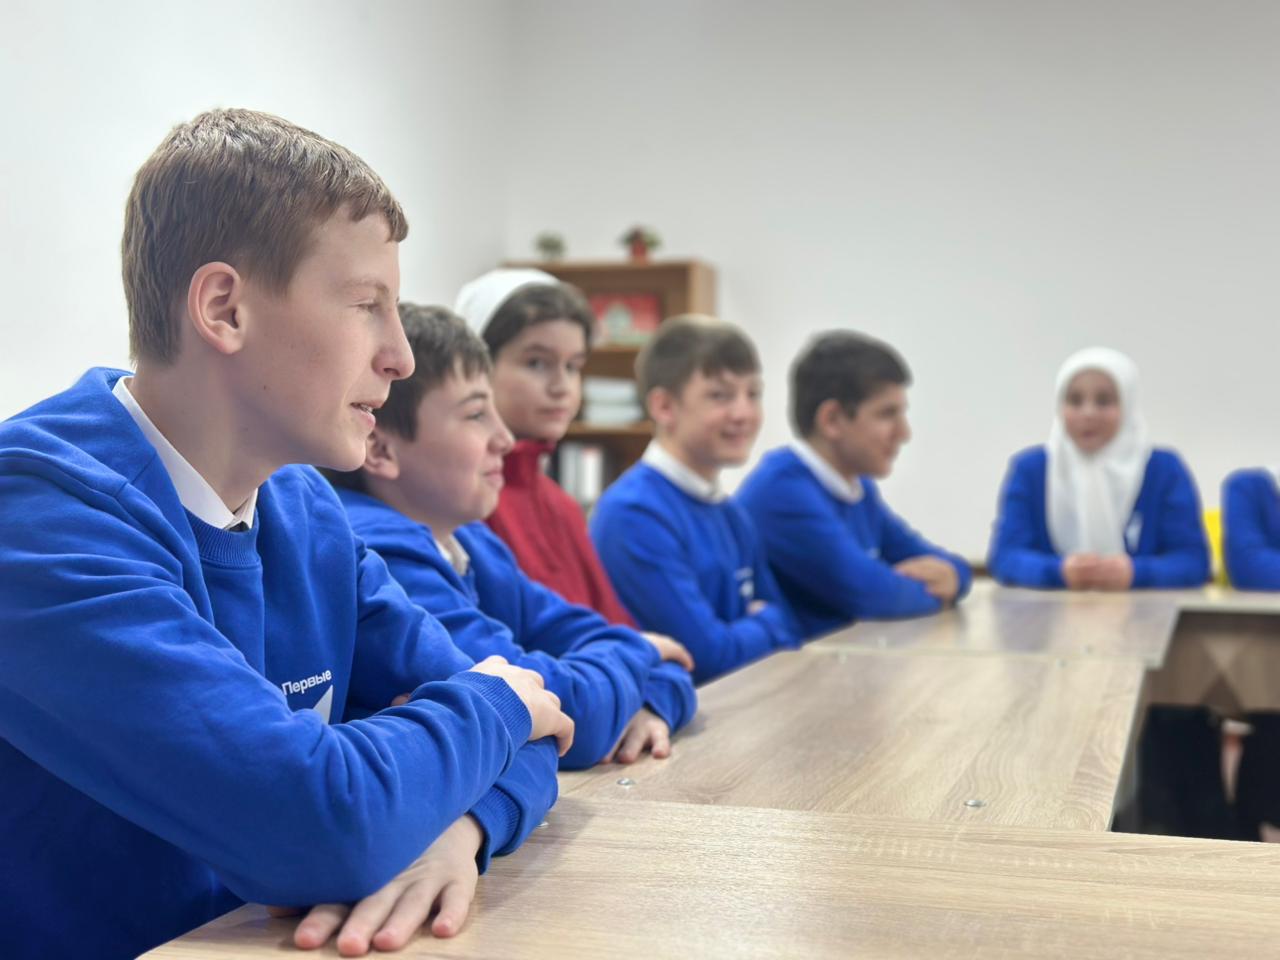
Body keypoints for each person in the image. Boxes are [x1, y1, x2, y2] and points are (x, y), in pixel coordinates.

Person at [0, 109, 572, 960]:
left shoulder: (303, 505)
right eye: (366, 306)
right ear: (224, 309)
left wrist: (465, 828)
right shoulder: (38, 518)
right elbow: (322, 820)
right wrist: (492, 710)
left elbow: (539, 731)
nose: (401, 356)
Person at [328, 304, 697, 766]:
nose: (504, 438)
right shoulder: (381, 555)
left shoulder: (472, 542)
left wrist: (652, 699)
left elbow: (664, 663)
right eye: (476, 415)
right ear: (380, 448)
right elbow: (567, 717)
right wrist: (642, 654)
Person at [590, 315, 801, 684]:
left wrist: (762, 624)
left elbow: (790, 629)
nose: (743, 413)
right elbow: (706, 657)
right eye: (720, 395)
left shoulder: (730, 513)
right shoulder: (634, 515)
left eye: (753, 394)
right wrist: (765, 621)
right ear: (664, 407)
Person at [738, 331, 971, 635]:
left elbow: (936, 560)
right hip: (793, 663)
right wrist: (942, 590)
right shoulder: (781, 491)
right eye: (887, 414)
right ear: (832, 420)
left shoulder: (858, 488)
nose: (904, 433)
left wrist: (956, 577)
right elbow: (874, 596)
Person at [988, 347, 1209, 589]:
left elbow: (1193, 562)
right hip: (1047, 611)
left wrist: (1136, 573)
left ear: (1128, 406)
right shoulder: (1031, 469)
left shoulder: (1163, 470)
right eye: (1075, 401)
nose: (1088, 413)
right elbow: (1004, 558)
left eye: (1104, 401)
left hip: (1142, 611)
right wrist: (1058, 571)